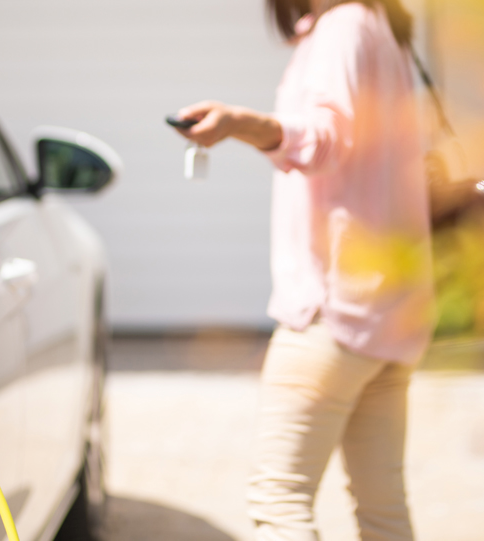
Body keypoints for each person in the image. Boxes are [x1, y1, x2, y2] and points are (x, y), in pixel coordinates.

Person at [173, 0, 435, 539]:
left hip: (333, 313)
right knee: (383, 508)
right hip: (392, 313)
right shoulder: (383, 26)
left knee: (280, 503)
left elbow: (324, 140)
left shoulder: (343, 28)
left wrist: (238, 123)